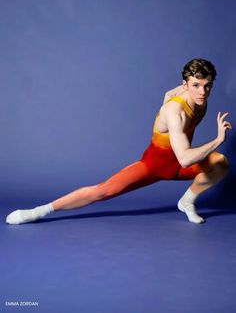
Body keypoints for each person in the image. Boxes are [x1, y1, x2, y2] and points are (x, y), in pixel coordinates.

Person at [6, 58, 232, 225]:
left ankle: (186, 202)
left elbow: (167, 94)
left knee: (220, 163)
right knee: (102, 191)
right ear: (185, 84)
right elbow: (184, 158)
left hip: (179, 166)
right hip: (154, 166)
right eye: (195, 85)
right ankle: (37, 211)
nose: (202, 92)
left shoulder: (199, 98)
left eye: (207, 86)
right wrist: (218, 138)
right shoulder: (175, 111)